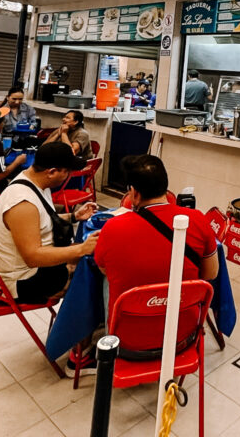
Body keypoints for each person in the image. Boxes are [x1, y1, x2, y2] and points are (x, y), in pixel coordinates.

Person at [93, 154, 218, 366]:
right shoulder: (196, 220)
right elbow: (210, 274)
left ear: (133, 193)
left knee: (107, 280)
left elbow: (105, 270)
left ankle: (99, 340)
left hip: (127, 346)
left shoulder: (112, 228)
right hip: (183, 340)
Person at [0, 141, 98, 374]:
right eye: (67, 171)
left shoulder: (36, 186)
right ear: (52, 172)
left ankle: (82, 330)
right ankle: (79, 355)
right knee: (88, 279)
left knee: (90, 264)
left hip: (32, 269)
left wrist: (74, 217)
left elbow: (43, 223)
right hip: (21, 280)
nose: (68, 176)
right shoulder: (22, 203)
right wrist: (81, 249)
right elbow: (33, 256)